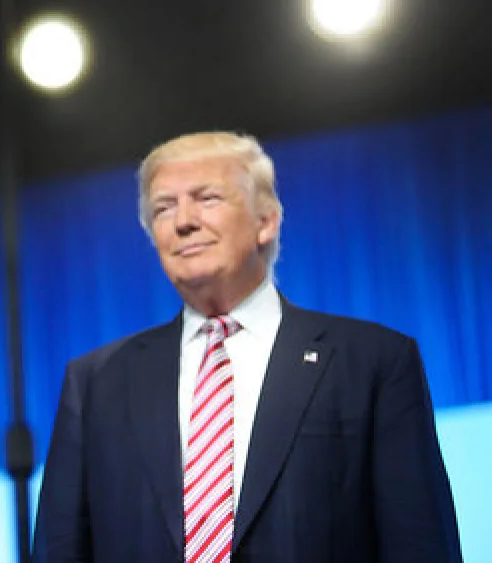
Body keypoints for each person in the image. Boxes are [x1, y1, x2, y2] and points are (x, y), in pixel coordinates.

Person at [31, 131, 462, 562]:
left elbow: (421, 545)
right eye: (164, 207)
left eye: (207, 198)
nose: (183, 221)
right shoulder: (96, 384)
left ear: (265, 220)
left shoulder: (373, 362)